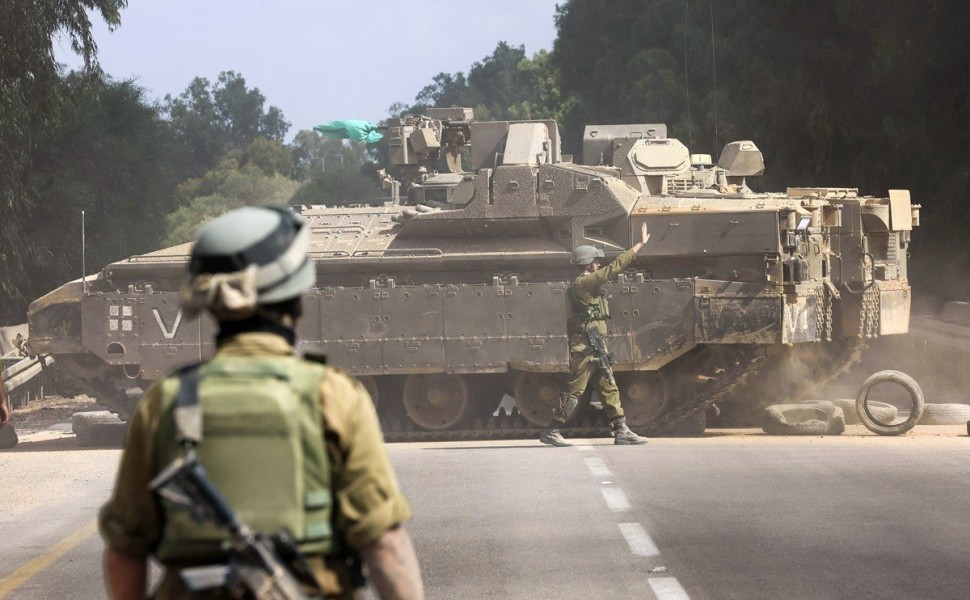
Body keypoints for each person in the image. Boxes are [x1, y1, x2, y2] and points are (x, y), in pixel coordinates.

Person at [99, 205, 424, 600]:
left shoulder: (164, 403)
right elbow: (385, 546)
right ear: (296, 298)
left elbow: (124, 553)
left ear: (211, 306)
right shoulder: (334, 396)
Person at [540, 223, 651, 447]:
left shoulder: (587, 282)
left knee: (609, 385)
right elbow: (614, 268)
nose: (598, 264)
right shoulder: (583, 282)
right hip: (585, 347)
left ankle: (621, 429)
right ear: (588, 264)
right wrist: (638, 246)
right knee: (575, 389)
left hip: (595, 344)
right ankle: (552, 430)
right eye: (595, 262)